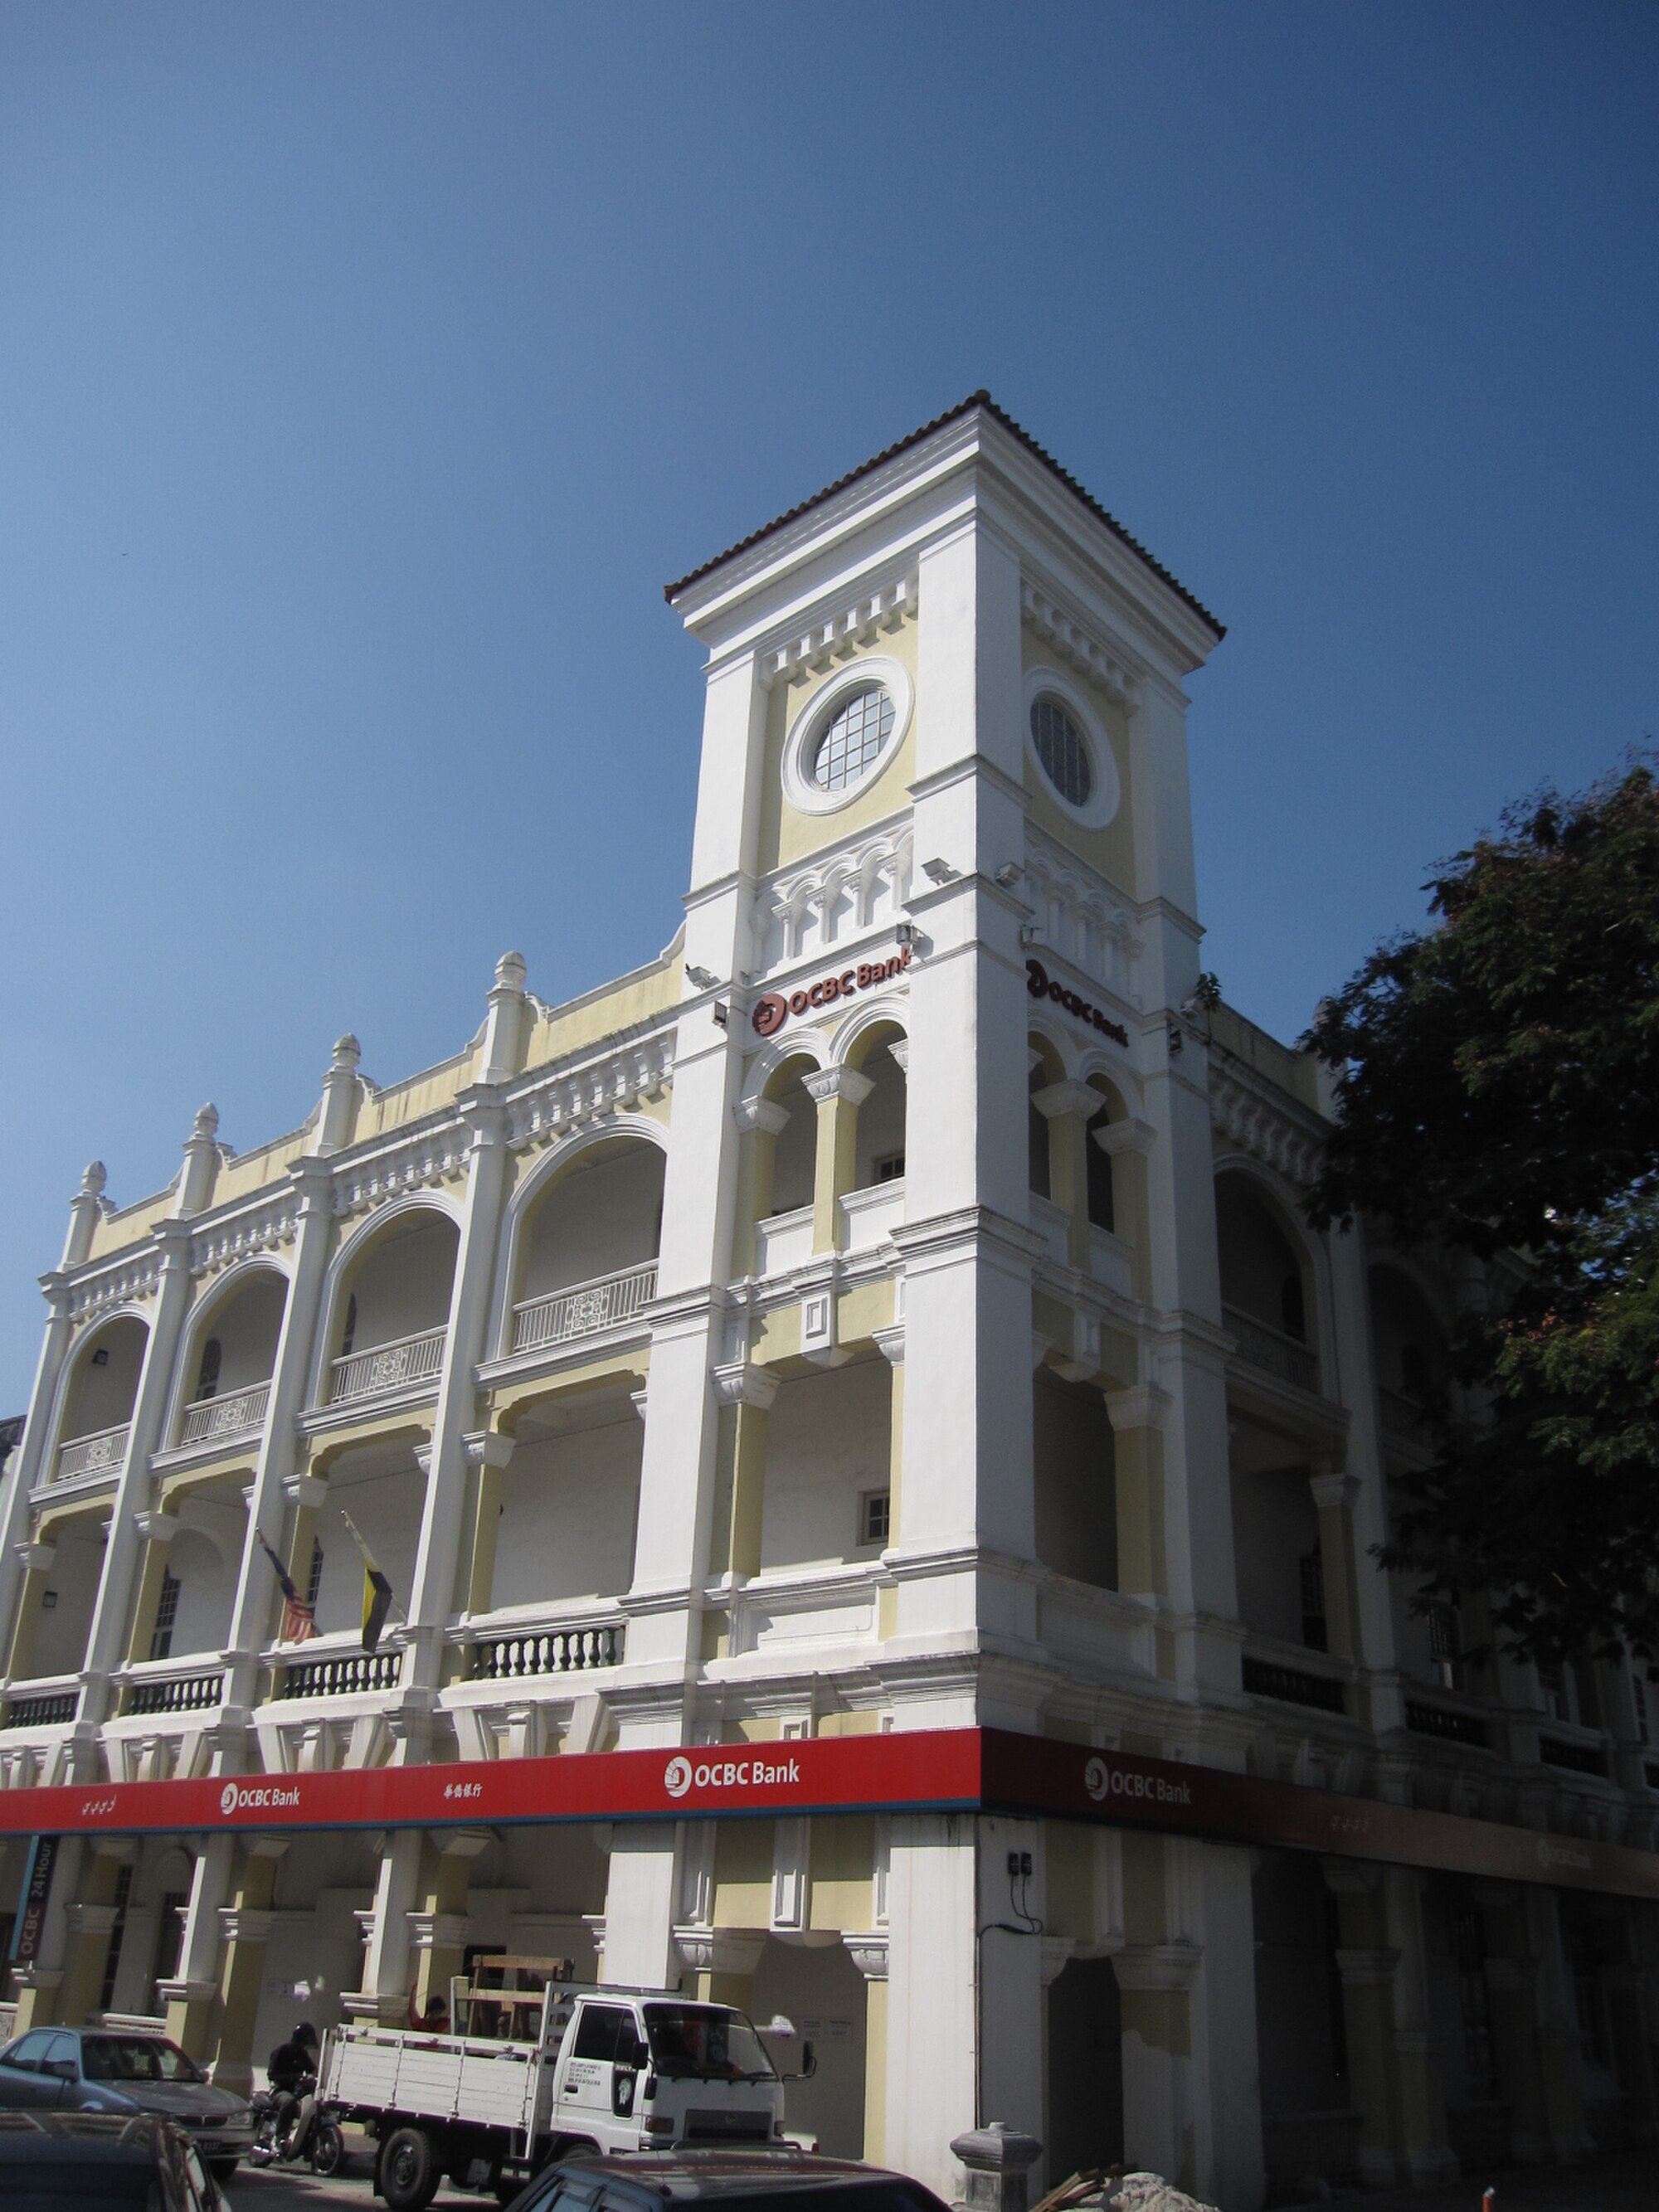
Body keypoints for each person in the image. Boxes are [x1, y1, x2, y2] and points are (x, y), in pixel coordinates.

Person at [265, 2020, 319, 2153]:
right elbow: (272, 2075)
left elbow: (312, 2069)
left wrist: (313, 2077)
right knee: (289, 2102)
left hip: (296, 2092)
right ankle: (279, 2137)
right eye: (304, 2041)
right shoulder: (282, 2051)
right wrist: (293, 2077)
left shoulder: (302, 2054)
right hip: (278, 2091)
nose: (304, 2045)